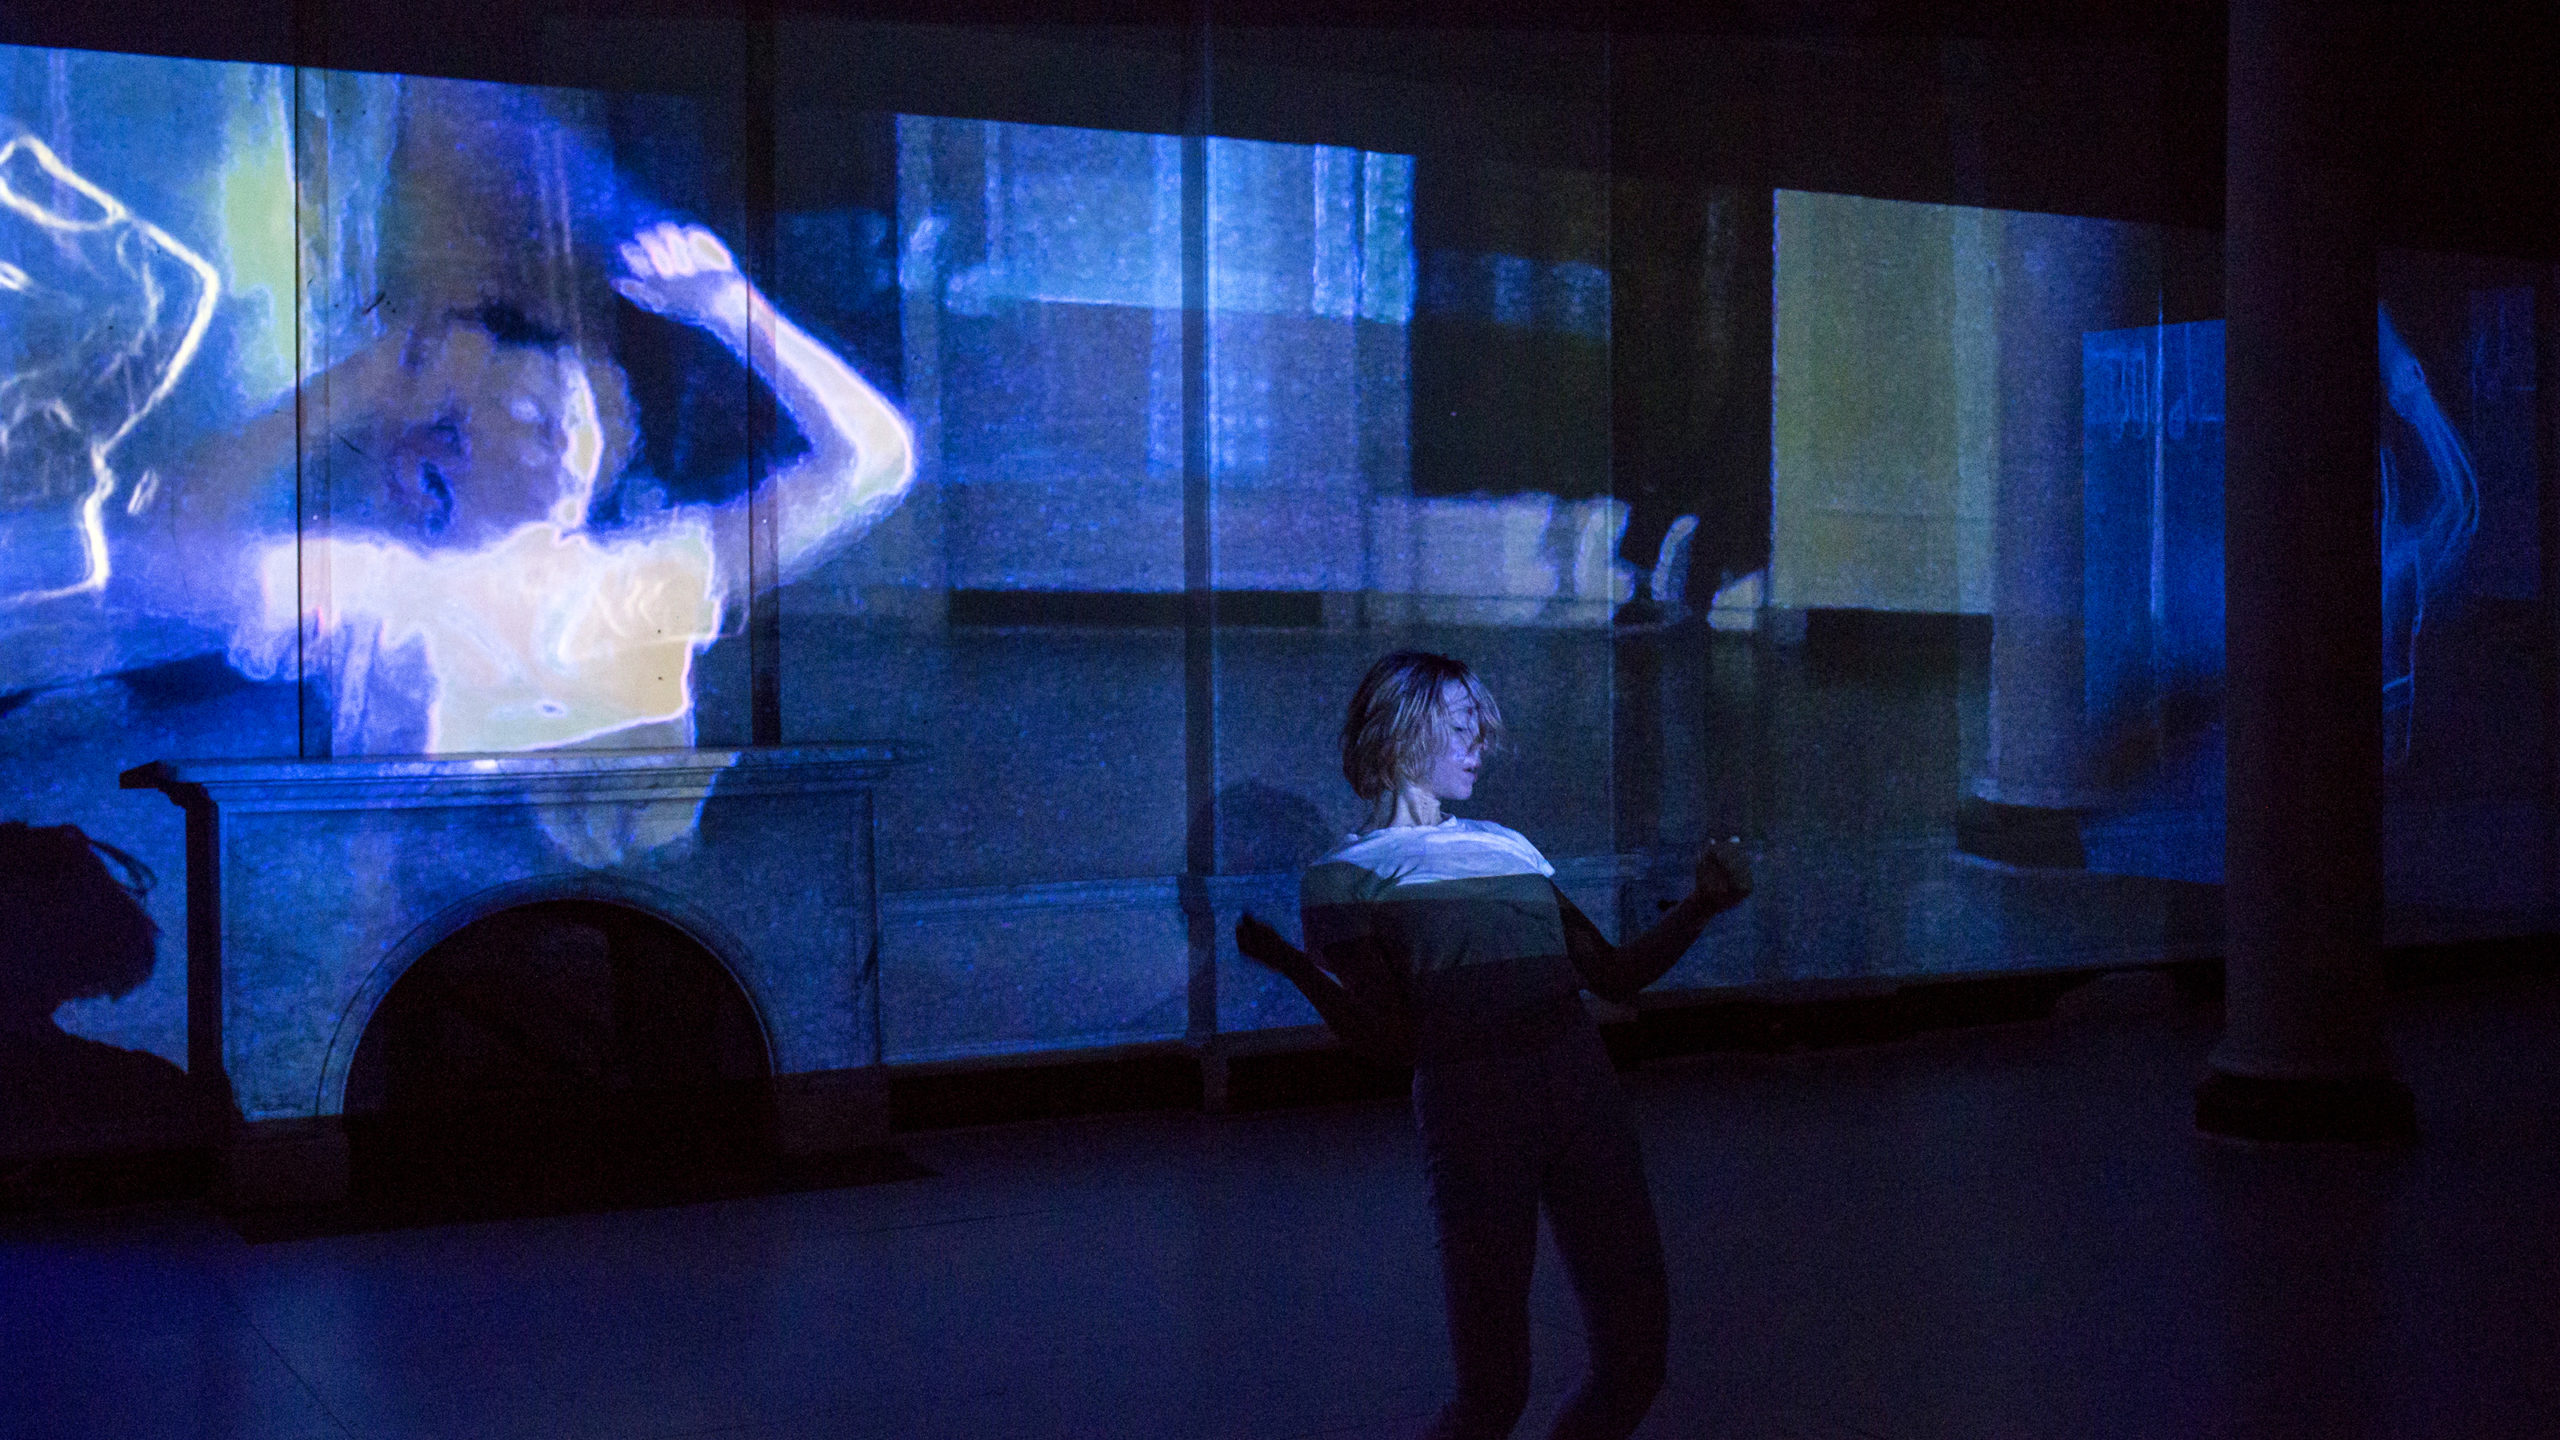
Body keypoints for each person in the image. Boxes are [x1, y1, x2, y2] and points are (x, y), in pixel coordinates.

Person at [116, 221, 914, 759]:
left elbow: (873, 460)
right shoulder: (374, 586)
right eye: (530, 412)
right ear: (438, 449)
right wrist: (361, 383)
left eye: (581, 416)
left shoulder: (656, 574)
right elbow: (173, 549)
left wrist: (730, 310)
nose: (566, 437)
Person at [1235, 651, 1749, 1440]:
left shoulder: (1511, 845)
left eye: (1481, 728)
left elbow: (1612, 974)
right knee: (1494, 1392)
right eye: (1462, 727)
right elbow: (1392, 1041)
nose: (1480, 746)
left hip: (1582, 1083)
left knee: (1636, 1360)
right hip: (1473, 1106)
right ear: (1404, 733)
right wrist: (1298, 968)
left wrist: (1701, 907)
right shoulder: (1341, 877)